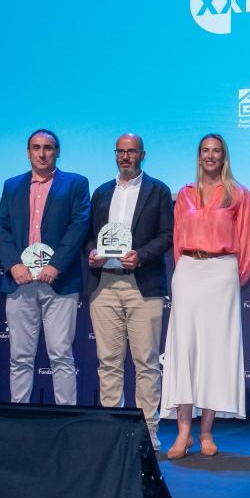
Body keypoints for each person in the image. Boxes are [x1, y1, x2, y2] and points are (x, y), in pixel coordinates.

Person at [161, 134, 250, 459]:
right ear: (199, 155)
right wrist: (183, 272)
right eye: (205, 150)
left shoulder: (238, 194)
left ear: (224, 157)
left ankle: (205, 432)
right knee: (184, 349)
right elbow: (177, 239)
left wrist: (233, 279)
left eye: (216, 151)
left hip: (222, 273)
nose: (210, 156)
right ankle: (183, 432)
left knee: (215, 352)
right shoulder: (185, 194)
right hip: (188, 271)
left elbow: (246, 241)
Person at [87, 133, 173, 452]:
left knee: (146, 362)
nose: (125, 156)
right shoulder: (101, 192)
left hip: (143, 284)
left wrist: (141, 255)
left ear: (142, 155)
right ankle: (113, 430)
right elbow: (89, 236)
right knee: (108, 361)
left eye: (132, 151)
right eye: (121, 151)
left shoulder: (159, 190)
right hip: (105, 284)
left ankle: (148, 431)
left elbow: (167, 235)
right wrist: (92, 253)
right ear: (115, 154)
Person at [0, 130, 91, 406]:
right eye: (36, 148)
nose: (42, 153)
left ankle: (65, 416)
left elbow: (78, 226)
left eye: (48, 148)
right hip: (20, 281)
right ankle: (19, 414)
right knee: (20, 356)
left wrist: (56, 265)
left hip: (59, 282)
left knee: (61, 354)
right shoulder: (12, 185)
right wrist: (14, 264)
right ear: (28, 153)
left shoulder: (75, 183)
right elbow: (2, 228)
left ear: (57, 151)